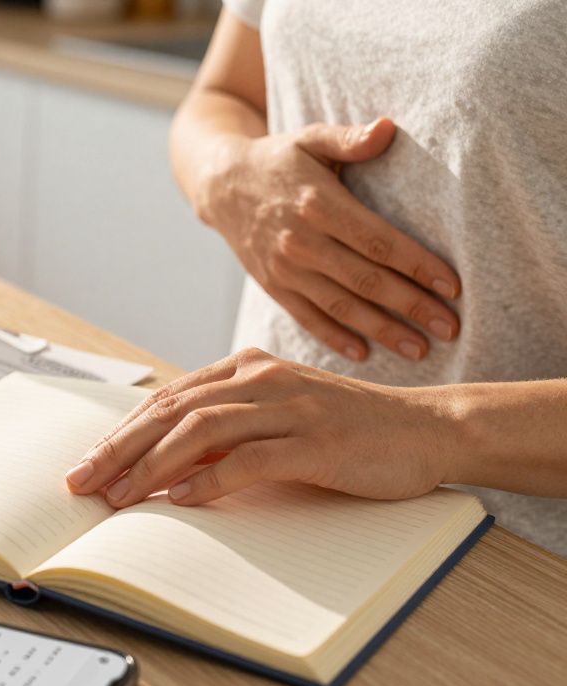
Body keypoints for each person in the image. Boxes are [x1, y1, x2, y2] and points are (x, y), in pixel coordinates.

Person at [65, 0, 567, 555]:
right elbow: (223, 95)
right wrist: (225, 175)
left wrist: (429, 427)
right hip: (253, 494)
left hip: (514, 559)